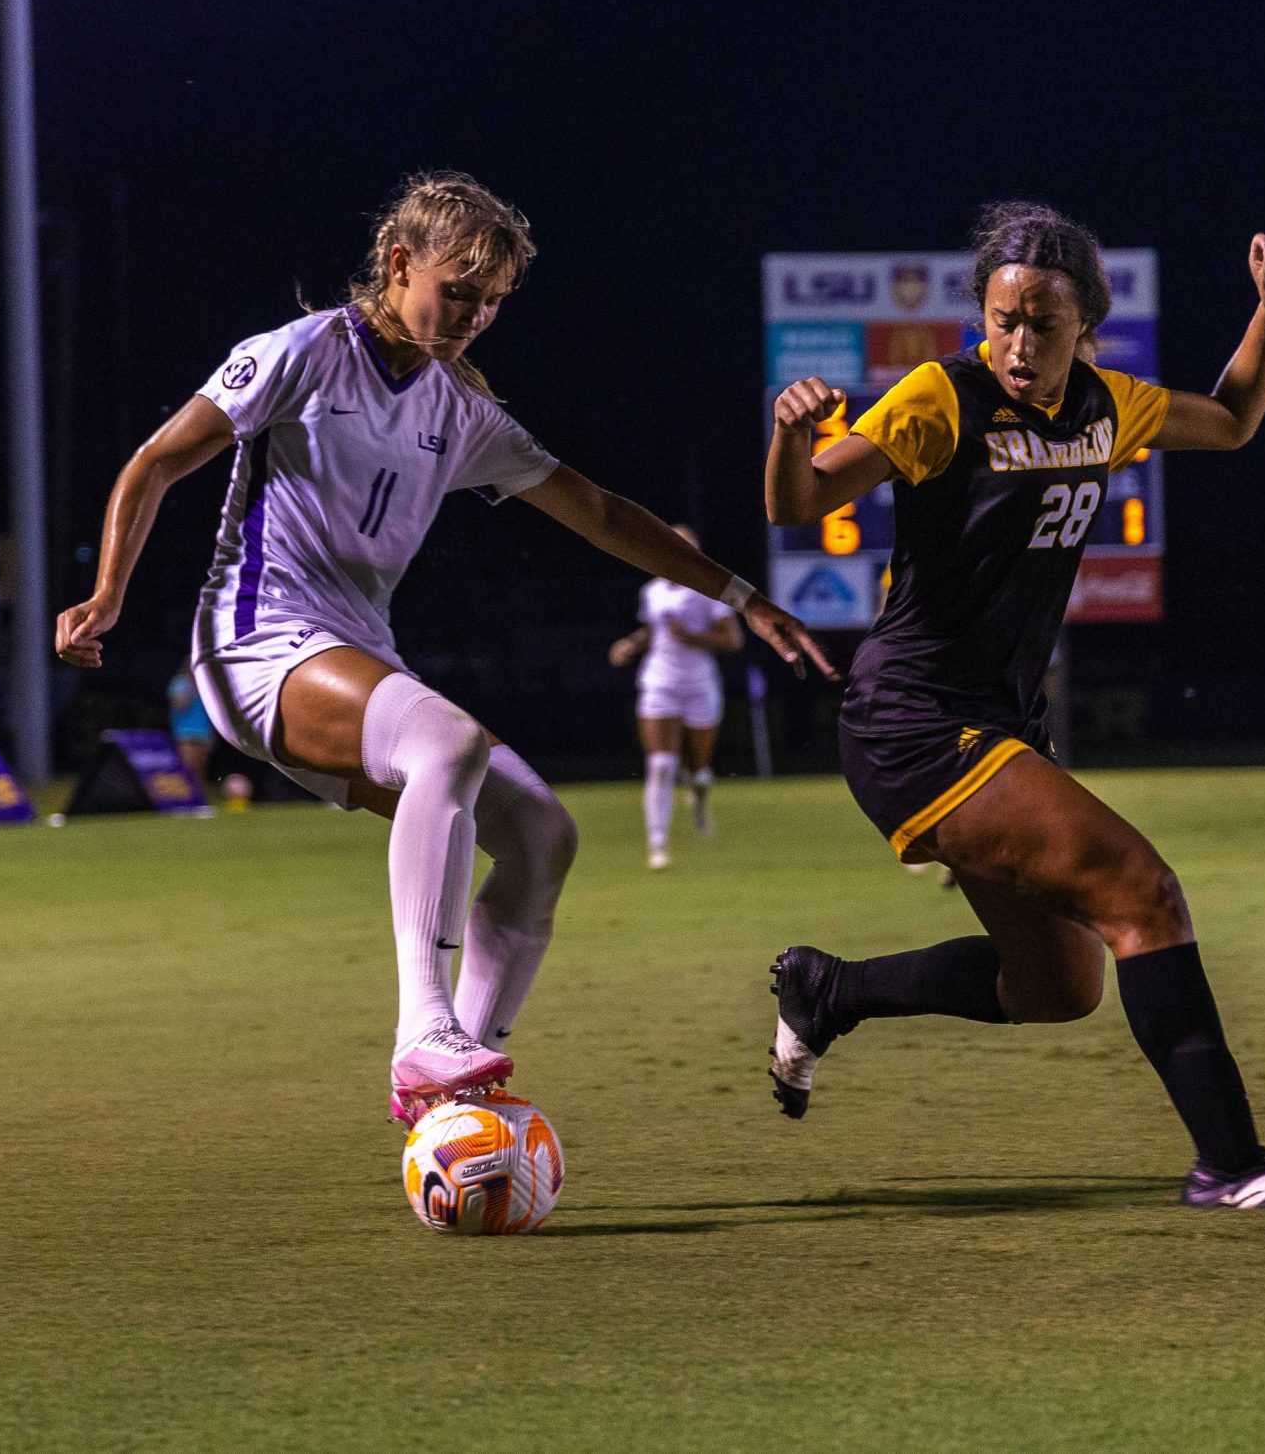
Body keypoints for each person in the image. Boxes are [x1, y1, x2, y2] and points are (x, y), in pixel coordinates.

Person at [56, 172, 833, 1123]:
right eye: (455, 291)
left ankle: (452, 1092)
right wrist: (107, 596)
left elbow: (593, 509)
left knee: (544, 837)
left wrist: (740, 595)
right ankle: (422, 1031)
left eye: (491, 301)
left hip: (354, 653)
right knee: (450, 745)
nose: (471, 316)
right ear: (397, 266)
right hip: (255, 643)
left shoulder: (459, 412)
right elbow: (157, 460)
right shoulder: (301, 354)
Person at [760, 203, 1265, 1212]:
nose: (1018, 342)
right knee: (1142, 889)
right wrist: (788, 433)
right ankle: (1232, 1162)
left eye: (1043, 322)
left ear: (1085, 327)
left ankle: (829, 990)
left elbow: (1233, 419)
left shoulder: (1106, 406)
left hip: (998, 724)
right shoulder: (943, 395)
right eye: (1003, 317)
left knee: (1057, 987)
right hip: (914, 719)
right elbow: (798, 502)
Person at [606, 527, 742, 870]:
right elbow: (652, 631)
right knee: (661, 764)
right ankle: (658, 843)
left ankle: (698, 800)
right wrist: (630, 645)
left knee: (699, 767)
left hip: (699, 683)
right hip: (659, 680)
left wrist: (692, 636)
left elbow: (732, 641)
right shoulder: (651, 591)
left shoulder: (709, 593)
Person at [166, 669, 214, 787]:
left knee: (200, 768)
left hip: (204, 732)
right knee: (186, 766)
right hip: (184, 732)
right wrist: (192, 689)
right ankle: (183, 794)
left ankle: (198, 798)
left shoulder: (207, 683)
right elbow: (180, 705)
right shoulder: (180, 683)